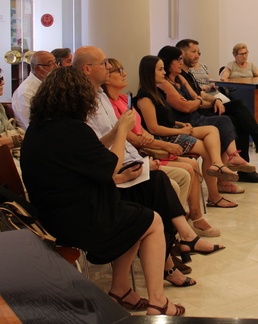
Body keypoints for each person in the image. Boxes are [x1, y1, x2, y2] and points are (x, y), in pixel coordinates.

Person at [20, 66, 185, 316]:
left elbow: (89, 152)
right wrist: (122, 133)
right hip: (78, 220)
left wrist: (113, 133)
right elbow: (109, 167)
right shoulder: (73, 130)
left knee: (135, 215)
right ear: (79, 98)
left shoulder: (40, 129)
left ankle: (120, 289)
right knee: (152, 221)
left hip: (51, 214)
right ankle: (158, 301)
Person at [73, 46, 224, 282]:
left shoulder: (112, 97)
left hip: (133, 154)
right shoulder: (98, 102)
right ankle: (179, 238)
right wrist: (150, 147)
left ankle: (180, 235)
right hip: (119, 165)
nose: (118, 72)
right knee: (176, 175)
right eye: (110, 67)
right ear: (87, 69)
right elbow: (126, 136)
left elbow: (139, 130)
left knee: (200, 150)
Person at [103, 57, 220, 238]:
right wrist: (166, 142)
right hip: (146, 149)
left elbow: (144, 129)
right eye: (160, 69)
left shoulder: (126, 99)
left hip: (150, 144)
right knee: (190, 165)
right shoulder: (140, 97)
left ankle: (191, 216)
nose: (124, 74)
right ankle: (182, 223)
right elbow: (139, 136)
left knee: (209, 140)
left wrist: (177, 126)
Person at [141, 52, 248, 208]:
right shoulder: (145, 96)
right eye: (160, 70)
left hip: (175, 129)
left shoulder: (157, 92)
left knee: (214, 130)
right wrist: (179, 130)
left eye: (163, 69)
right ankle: (214, 193)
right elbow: (153, 128)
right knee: (207, 146)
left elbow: (167, 117)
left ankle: (218, 167)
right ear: (149, 72)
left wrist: (179, 124)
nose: (163, 73)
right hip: (165, 138)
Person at [177, 38, 258, 177]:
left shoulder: (188, 74)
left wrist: (214, 99)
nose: (198, 55)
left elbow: (199, 94)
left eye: (199, 52)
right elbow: (195, 100)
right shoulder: (180, 77)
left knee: (239, 118)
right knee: (238, 105)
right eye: (194, 52)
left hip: (205, 105)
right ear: (182, 54)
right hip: (198, 115)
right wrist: (214, 102)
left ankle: (246, 170)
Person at [11, 50, 58, 129]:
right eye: (51, 64)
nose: (56, 67)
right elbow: (32, 124)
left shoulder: (50, 84)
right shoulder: (26, 92)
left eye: (55, 62)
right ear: (38, 69)